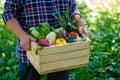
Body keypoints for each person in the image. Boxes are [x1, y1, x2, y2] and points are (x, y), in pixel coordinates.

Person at [2, 0, 88, 80]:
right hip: (31, 51)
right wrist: (22, 35)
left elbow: (72, 7)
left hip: (62, 52)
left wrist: (79, 21)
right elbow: (8, 13)